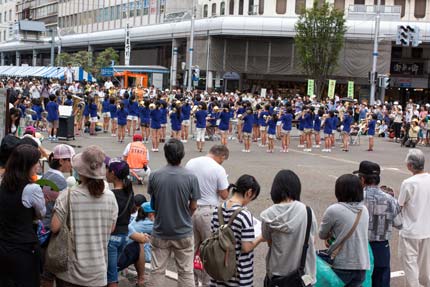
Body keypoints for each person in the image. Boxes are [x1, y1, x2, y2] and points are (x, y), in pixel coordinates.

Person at [50, 146, 118, 287]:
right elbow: (111, 229)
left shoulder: (67, 195)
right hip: (98, 273)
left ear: (80, 171)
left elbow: (54, 227)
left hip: (70, 273)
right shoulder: (111, 197)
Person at [146, 139, 201, 287]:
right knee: (186, 272)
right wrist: (185, 215)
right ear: (182, 154)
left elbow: (153, 203)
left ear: (165, 154)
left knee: (157, 271)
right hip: (183, 230)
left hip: (161, 229)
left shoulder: (155, 175)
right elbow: (194, 206)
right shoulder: (191, 177)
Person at [261, 170, 317, 285]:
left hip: (277, 273)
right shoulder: (308, 211)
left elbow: (269, 241)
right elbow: (313, 240)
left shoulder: (268, 214)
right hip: (302, 275)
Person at [185, 145, 230, 287]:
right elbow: (224, 194)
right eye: (223, 159)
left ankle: (190, 282)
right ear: (221, 156)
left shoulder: (191, 162)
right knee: (208, 251)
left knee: (190, 249)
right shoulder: (218, 169)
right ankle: (206, 283)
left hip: (190, 209)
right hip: (208, 212)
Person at [0, 144, 45, 287]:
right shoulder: (32, 189)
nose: (38, 165)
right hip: (24, 247)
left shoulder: (2, 183)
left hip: (3, 244)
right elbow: (41, 213)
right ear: (28, 165)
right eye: (36, 162)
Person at [354, 161, 402, 287]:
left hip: (359, 245)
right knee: (381, 279)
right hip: (381, 247)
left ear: (362, 179)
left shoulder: (356, 198)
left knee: (360, 280)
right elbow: (399, 223)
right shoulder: (390, 199)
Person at [210, 174, 264, 287]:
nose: (249, 201)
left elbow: (212, 237)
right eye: (252, 197)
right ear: (249, 192)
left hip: (218, 273)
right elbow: (246, 247)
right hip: (238, 276)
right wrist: (261, 237)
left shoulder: (217, 210)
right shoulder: (244, 215)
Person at [319, 174, 370, 286]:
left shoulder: (334, 210)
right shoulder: (364, 210)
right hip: (361, 264)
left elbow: (322, 234)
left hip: (342, 263)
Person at [398, 149, 430, 287]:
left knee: (410, 264)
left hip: (410, 230)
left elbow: (400, 204)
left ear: (410, 165)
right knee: (425, 266)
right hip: (427, 229)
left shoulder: (408, 183)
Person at [105, 158, 135, 287]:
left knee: (111, 276)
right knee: (113, 271)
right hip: (123, 236)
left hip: (112, 238)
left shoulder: (110, 195)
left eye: (107, 170)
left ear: (113, 173)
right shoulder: (129, 193)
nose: (105, 172)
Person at [118, 202, 154, 287]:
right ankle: (141, 280)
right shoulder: (148, 224)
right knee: (140, 243)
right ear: (151, 214)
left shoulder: (136, 220)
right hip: (120, 260)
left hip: (113, 259)